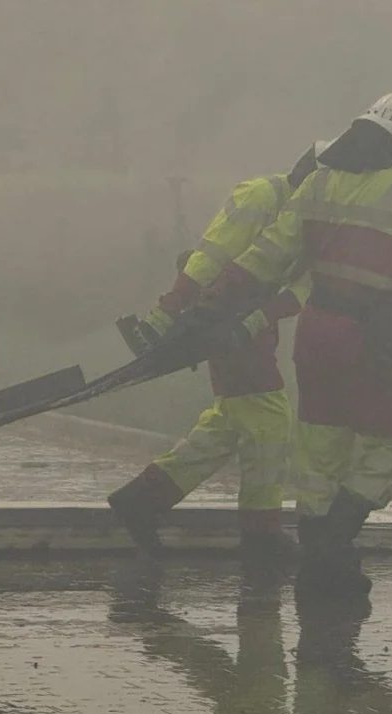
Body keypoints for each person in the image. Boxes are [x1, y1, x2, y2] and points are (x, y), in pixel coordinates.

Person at [196, 93, 392, 598]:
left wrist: (213, 298)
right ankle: (333, 543)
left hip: (314, 334)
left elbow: (267, 254)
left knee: (320, 456)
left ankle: (319, 573)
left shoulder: (317, 183)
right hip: (364, 341)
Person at [107, 141, 334, 566]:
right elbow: (211, 255)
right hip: (216, 312)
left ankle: (142, 499)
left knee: (230, 422)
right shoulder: (263, 196)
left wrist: (258, 320)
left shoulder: (317, 222)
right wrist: (167, 314)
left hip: (246, 324)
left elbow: (305, 287)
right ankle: (262, 534)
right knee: (268, 417)